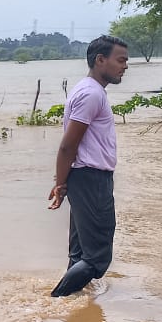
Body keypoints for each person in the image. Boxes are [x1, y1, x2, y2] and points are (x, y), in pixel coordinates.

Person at [46, 35, 127, 297]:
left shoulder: (87, 90)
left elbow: (72, 147)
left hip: (83, 178)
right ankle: (55, 301)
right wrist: (60, 184)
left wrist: (64, 181)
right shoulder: (91, 94)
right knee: (96, 258)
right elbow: (68, 145)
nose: (125, 66)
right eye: (121, 60)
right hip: (91, 180)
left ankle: (75, 310)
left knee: (79, 252)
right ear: (100, 60)